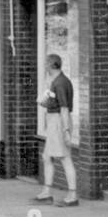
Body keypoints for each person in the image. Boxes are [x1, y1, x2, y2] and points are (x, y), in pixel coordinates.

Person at [33, 54, 77, 207]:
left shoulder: (60, 83)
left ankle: (72, 194)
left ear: (51, 65)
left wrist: (66, 131)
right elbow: (53, 103)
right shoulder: (56, 82)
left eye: (45, 64)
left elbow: (64, 108)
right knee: (47, 157)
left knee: (65, 157)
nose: (44, 67)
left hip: (58, 121)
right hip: (54, 121)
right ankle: (47, 191)